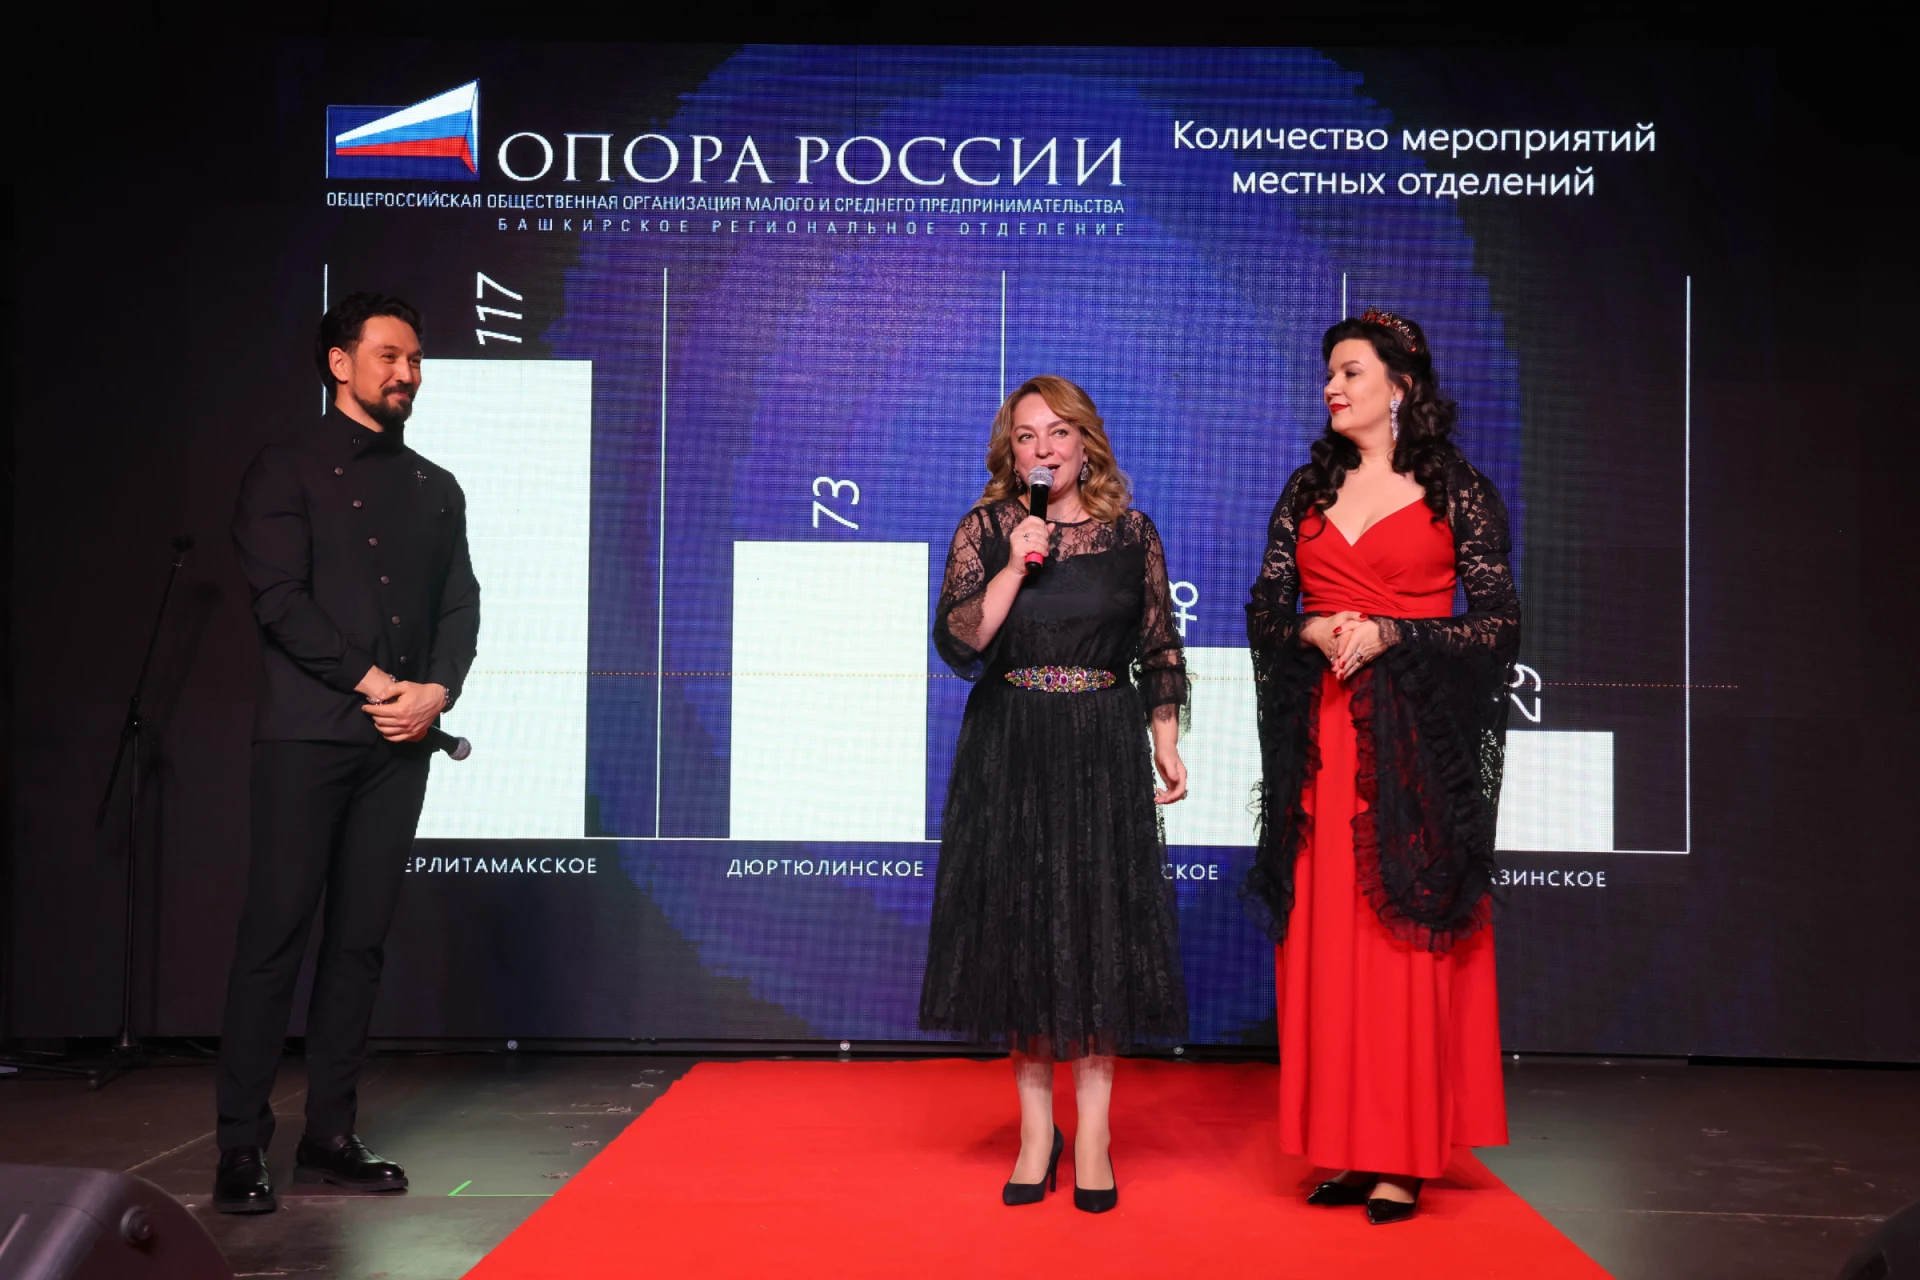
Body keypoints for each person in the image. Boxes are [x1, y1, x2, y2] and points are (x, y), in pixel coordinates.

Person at [1244, 309, 1517, 1225]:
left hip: (1413, 747)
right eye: (1329, 373)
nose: (1333, 387)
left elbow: (1499, 624)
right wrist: (1314, 628)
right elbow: (1265, 610)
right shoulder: (1308, 488)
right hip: (1322, 748)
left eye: (1351, 372)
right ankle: (1352, 1148)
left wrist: (1398, 632)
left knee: (1400, 945)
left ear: (1400, 386)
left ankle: (1404, 1156)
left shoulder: (1456, 490)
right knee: (1331, 946)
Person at [213, 293, 479, 1214]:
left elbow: (460, 604)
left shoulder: (437, 484)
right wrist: (378, 684)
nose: (407, 373)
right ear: (340, 363)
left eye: (415, 359)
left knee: (359, 943)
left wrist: (436, 690)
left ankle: (329, 1135)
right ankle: (240, 1145)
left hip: (400, 744)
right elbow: (279, 601)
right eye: (390, 356)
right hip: (307, 737)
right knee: (274, 938)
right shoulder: (285, 466)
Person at [919, 375, 1189, 1214]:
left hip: (1102, 742)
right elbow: (961, 641)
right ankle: (1038, 1133)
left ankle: (1095, 1135)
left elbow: (1158, 644)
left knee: (1098, 931)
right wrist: (1012, 565)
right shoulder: (989, 527)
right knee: (1024, 933)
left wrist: (1165, 739)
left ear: (1085, 444)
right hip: (1012, 743)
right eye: (1027, 435)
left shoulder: (1133, 533)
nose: (1044, 448)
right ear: (1013, 451)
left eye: (1058, 432)